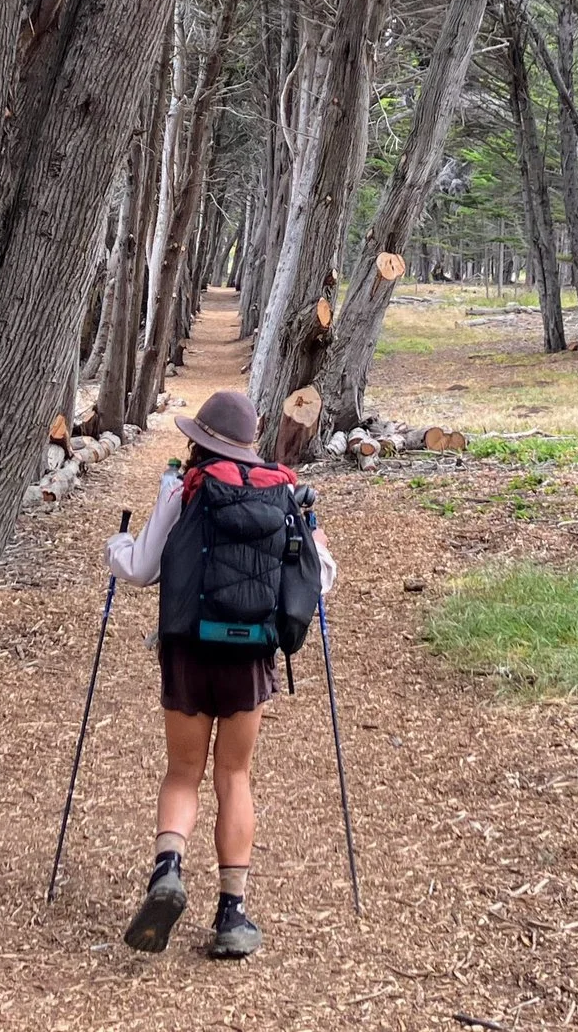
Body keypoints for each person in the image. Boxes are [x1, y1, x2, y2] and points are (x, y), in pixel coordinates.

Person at [104, 388, 335, 959]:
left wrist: (116, 546)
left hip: (187, 650)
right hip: (249, 657)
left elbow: (140, 568)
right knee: (234, 776)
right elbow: (318, 580)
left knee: (183, 771)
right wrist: (317, 543)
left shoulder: (184, 489)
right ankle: (232, 915)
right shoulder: (284, 494)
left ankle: (168, 871)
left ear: (198, 441)